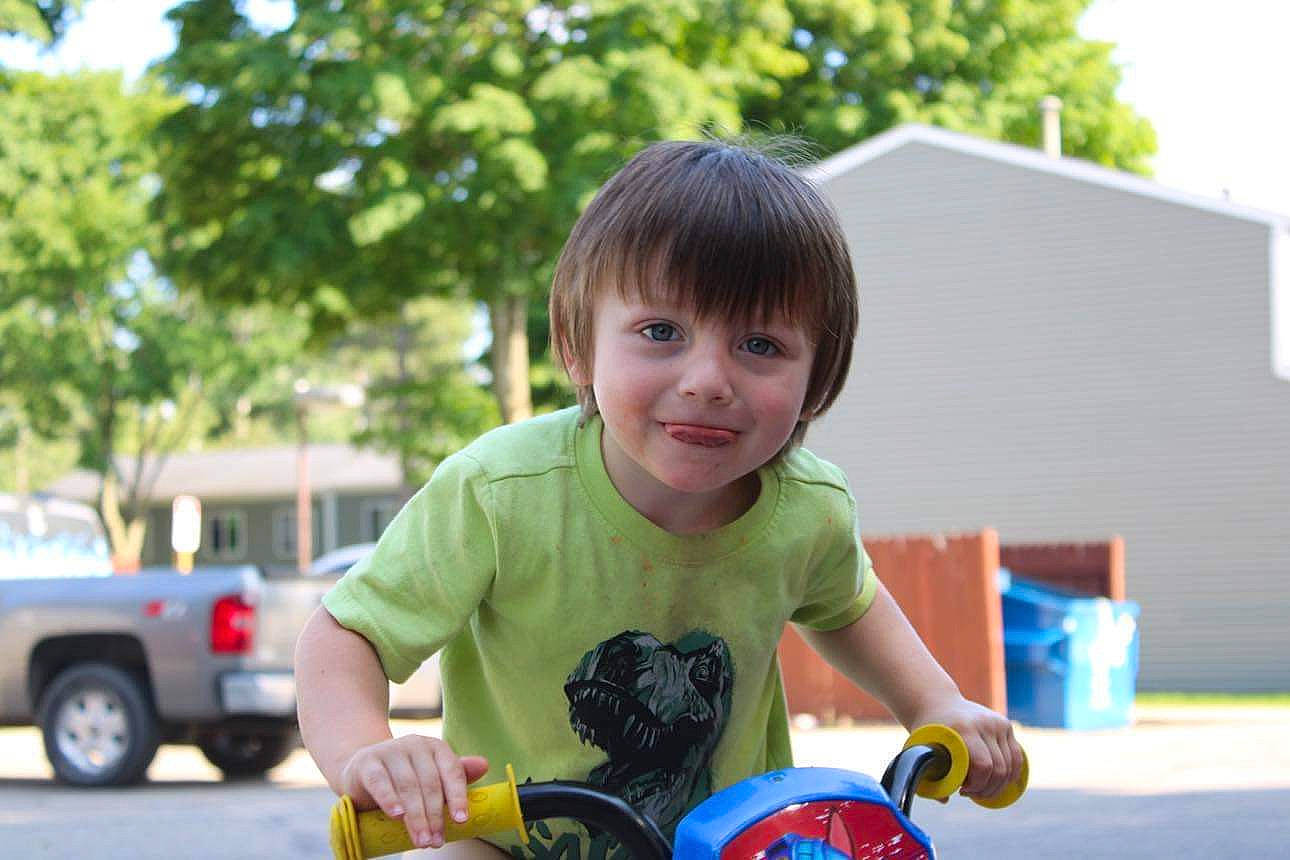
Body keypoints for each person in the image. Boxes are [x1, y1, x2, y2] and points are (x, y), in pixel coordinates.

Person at [295, 139, 1023, 859]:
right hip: (503, 842)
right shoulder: (500, 493)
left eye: (761, 345)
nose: (708, 379)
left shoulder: (809, 511)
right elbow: (345, 634)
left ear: (819, 380)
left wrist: (936, 706)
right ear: (578, 345)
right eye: (661, 331)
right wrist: (366, 752)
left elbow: (851, 609)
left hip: (732, 843)